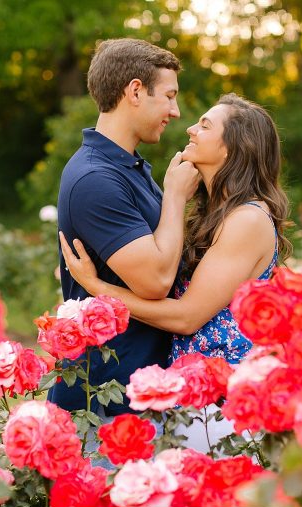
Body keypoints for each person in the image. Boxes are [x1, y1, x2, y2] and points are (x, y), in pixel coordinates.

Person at [59, 93, 291, 368]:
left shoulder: (247, 220)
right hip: (195, 383)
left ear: (234, 147)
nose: (190, 129)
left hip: (224, 392)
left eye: (205, 126)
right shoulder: (217, 213)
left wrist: (96, 286)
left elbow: (186, 317)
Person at [48, 38, 201, 416]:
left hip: (137, 391)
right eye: (168, 96)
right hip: (104, 402)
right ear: (135, 91)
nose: (175, 111)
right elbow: (154, 281)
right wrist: (175, 197)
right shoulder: (95, 178)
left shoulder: (127, 167)